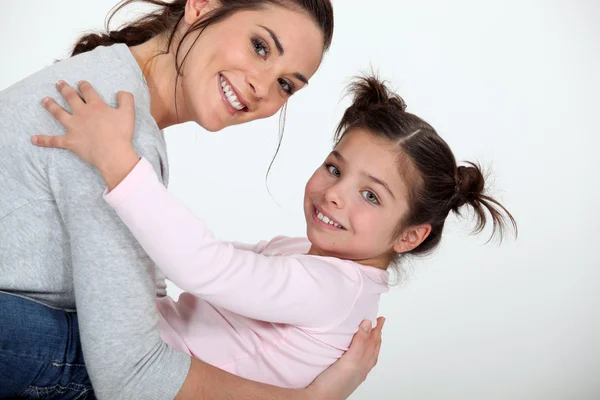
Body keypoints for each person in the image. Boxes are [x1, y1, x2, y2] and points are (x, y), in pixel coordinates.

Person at [31, 74, 517, 393]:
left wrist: (117, 160)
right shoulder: (307, 256)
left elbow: (204, 267)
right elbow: (192, 259)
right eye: (334, 168)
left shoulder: (335, 290)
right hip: (120, 343)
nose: (335, 194)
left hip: (111, 373)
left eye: (371, 196)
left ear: (408, 236)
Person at [0, 0, 384, 399]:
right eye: (260, 46)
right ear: (201, 7)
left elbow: (163, 278)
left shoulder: (112, 84)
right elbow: (132, 376)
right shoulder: (116, 128)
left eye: (286, 85)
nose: (262, 87)